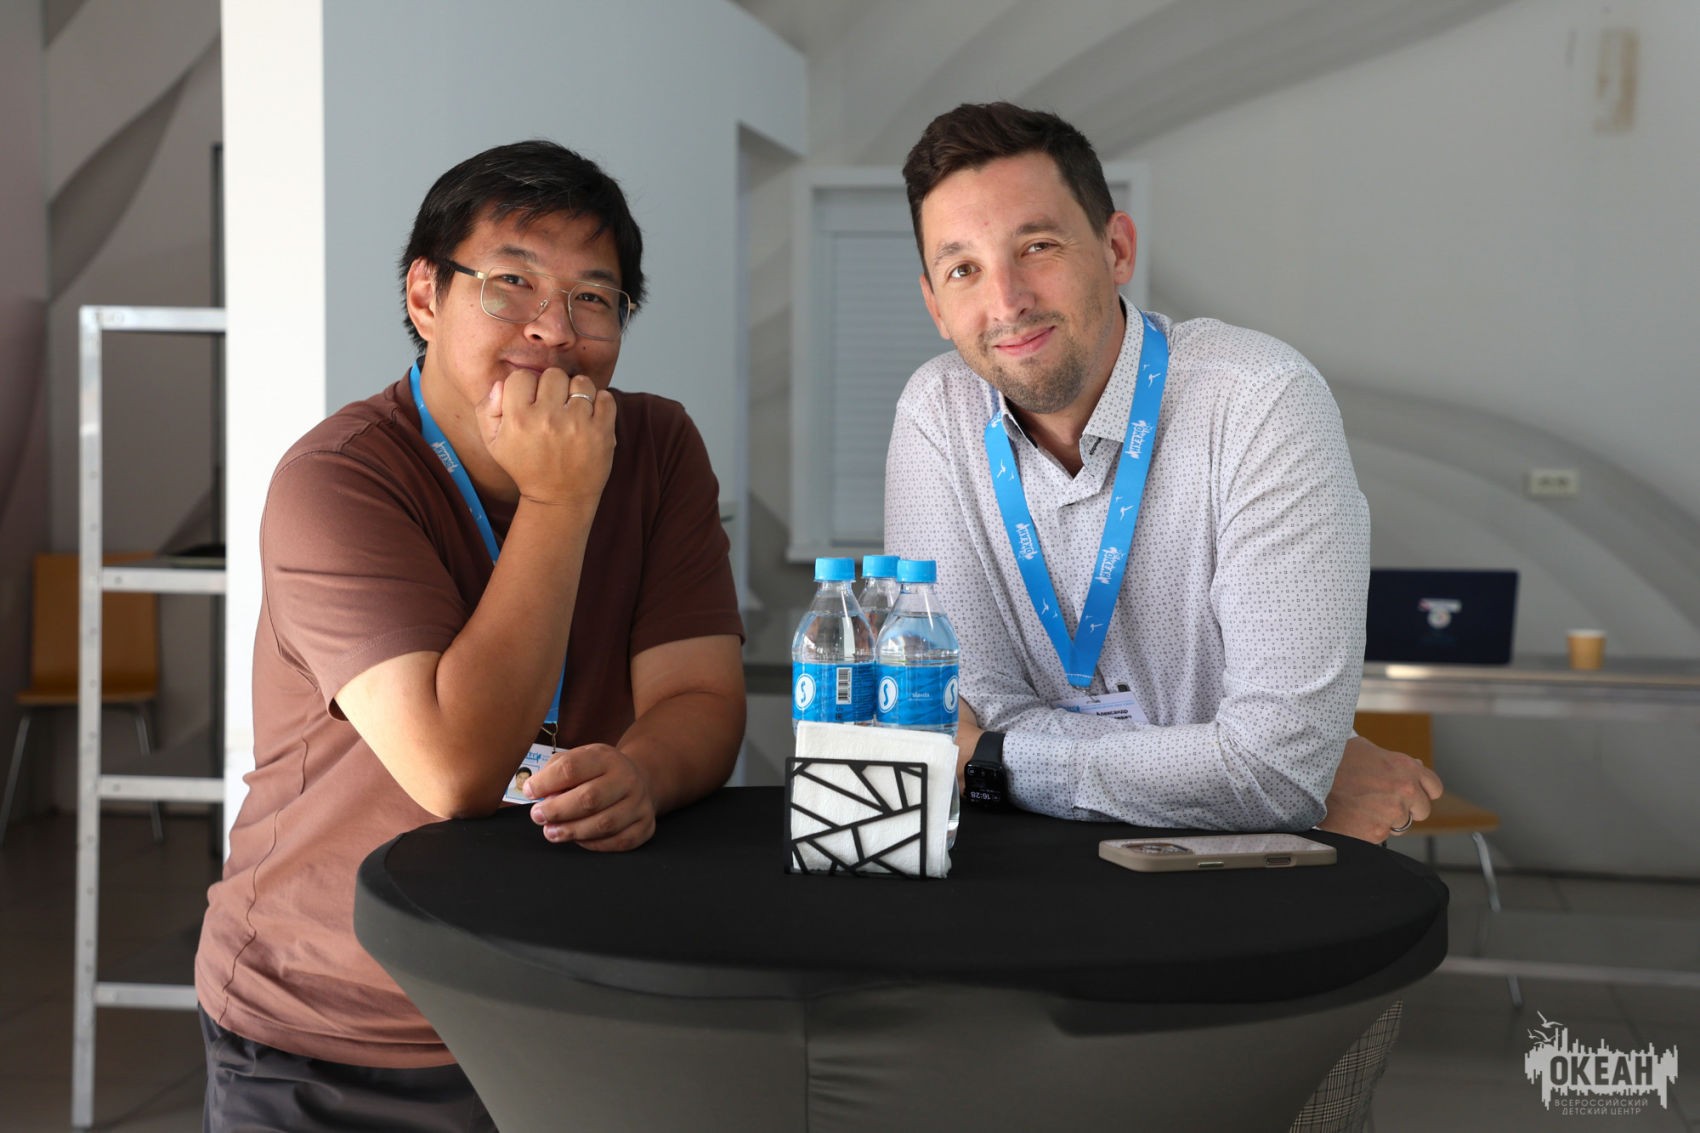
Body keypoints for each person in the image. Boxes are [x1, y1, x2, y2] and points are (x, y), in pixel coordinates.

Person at [884, 102, 1440, 1131]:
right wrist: (1231, 768)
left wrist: (997, 761)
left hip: (1266, 922)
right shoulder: (936, 413)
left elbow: (1271, 771)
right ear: (931, 302)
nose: (1004, 299)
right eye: (961, 268)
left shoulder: (1259, 400)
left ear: (1116, 247)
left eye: (1036, 246)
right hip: (1037, 928)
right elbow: (958, 706)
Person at [195, 140, 746, 1131]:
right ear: (425, 295)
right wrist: (560, 497)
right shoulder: (338, 478)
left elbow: (700, 696)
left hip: (568, 1002)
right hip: (337, 1022)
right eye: (510, 284)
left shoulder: (656, 446)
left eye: (593, 298)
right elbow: (453, 768)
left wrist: (645, 773)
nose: (554, 328)